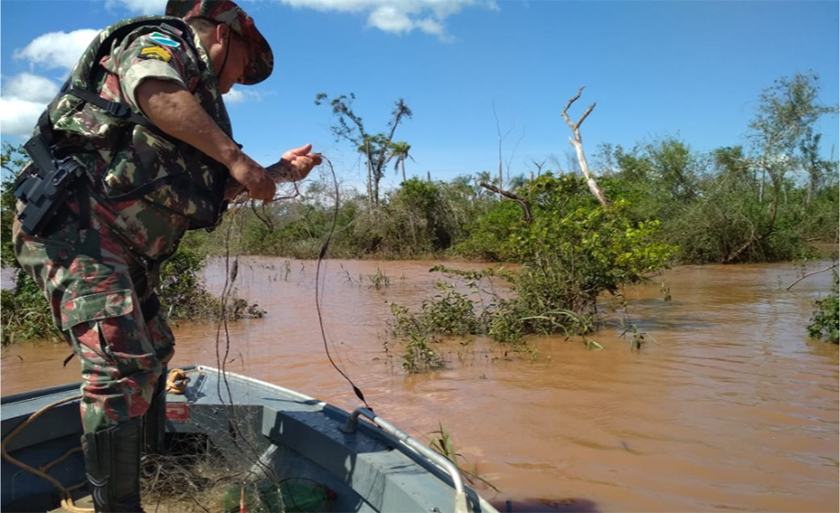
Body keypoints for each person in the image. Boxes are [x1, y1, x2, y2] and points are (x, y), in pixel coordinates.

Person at [12, 1, 321, 511]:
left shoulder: (194, 116)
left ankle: (155, 470)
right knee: (120, 368)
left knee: (155, 349)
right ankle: (120, 505)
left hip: (124, 247)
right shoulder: (162, 45)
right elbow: (152, 89)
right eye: (245, 66)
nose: (238, 83)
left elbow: (223, 189)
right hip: (77, 231)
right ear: (223, 35)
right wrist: (237, 158)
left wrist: (280, 172)